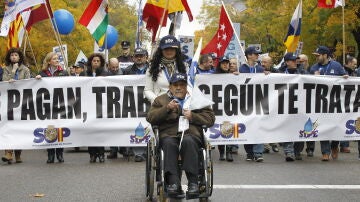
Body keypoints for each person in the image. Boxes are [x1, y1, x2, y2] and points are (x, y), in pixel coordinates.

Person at [146, 73, 215, 197]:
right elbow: (151, 117)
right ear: (170, 87)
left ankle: (193, 183)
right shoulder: (160, 100)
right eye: (175, 85)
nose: (178, 88)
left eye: (182, 85)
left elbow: (210, 119)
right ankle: (173, 183)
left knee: (188, 141)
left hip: (191, 133)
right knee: (168, 143)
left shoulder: (196, 99)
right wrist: (166, 108)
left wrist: (193, 116)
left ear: (187, 87)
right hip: (168, 134)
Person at [310, 46, 348, 161]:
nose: (316, 58)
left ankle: (334, 145)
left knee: (336, 126)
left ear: (325, 55)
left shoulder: (336, 66)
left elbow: (345, 77)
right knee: (322, 126)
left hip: (335, 103)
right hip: (320, 104)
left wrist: (346, 77)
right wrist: (313, 78)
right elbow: (305, 83)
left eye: (318, 55)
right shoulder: (314, 68)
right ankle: (325, 152)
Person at [36, 52, 69, 163]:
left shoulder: (63, 73)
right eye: (54, 59)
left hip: (60, 104)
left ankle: (60, 153)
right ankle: (50, 154)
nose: (57, 60)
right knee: (50, 128)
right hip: (48, 105)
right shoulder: (43, 73)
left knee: (59, 128)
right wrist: (37, 79)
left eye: (57, 58)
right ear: (49, 61)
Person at [1, 48, 31, 164]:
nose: (14, 57)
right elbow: (4, 82)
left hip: (22, 102)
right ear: (9, 57)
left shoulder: (25, 69)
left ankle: (18, 153)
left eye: (16, 55)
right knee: (8, 127)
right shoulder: (6, 69)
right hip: (9, 102)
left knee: (19, 128)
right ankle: (8, 153)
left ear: (20, 57)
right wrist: (13, 71)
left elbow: (29, 83)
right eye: (12, 55)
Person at [278, 53, 307, 161]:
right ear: (287, 62)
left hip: (301, 105)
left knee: (300, 128)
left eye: (296, 60)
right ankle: (289, 152)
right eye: (293, 60)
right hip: (285, 105)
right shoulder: (279, 73)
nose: (296, 62)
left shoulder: (303, 71)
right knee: (288, 128)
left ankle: (297, 151)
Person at [144, 35, 187, 103]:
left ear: (176, 50)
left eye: (172, 48)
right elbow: (147, 90)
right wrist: (158, 101)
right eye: (166, 49)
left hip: (181, 106)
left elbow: (190, 87)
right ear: (161, 50)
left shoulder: (185, 66)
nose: (169, 51)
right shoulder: (153, 67)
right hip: (161, 107)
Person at [239, 46, 265, 162]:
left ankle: (258, 152)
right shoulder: (241, 68)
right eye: (255, 54)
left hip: (258, 101)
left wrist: (268, 75)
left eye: (258, 54)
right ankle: (249, 152)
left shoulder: (260, 69)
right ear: (249, 55)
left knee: (258, 126)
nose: (257, 56)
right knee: (247, 126)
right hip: (245, 102)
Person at [86, 53, 109, 163]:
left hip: (101, 105)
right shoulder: (84, 74)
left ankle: (101, 153)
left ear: (101, 63)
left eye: (98, 61)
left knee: (100, 130)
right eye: (94, 60)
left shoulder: (105, 74)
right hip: (88, 105)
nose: (95, 62)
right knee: (90, 130)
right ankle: (92, 154)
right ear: (91, 62)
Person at [214, 56, 236, 162]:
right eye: (223, 63)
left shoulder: (234, 75)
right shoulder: (214, 76)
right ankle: (222, 151)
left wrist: (237, 76)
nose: (225, 65)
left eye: (227, 63)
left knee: (231, 127)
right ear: (219, 64)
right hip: (219, 107)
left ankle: (229, 152)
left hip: (231, 106)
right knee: (221, 128)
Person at [340, 56, 358, 153]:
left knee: (347, 122)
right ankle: (339, 144)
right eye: (354, 64)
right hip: (342, 100)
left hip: (352, 101)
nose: (355, 66)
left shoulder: (354, 73)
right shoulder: (342, 71)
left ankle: (344, 145)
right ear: (349, 63)